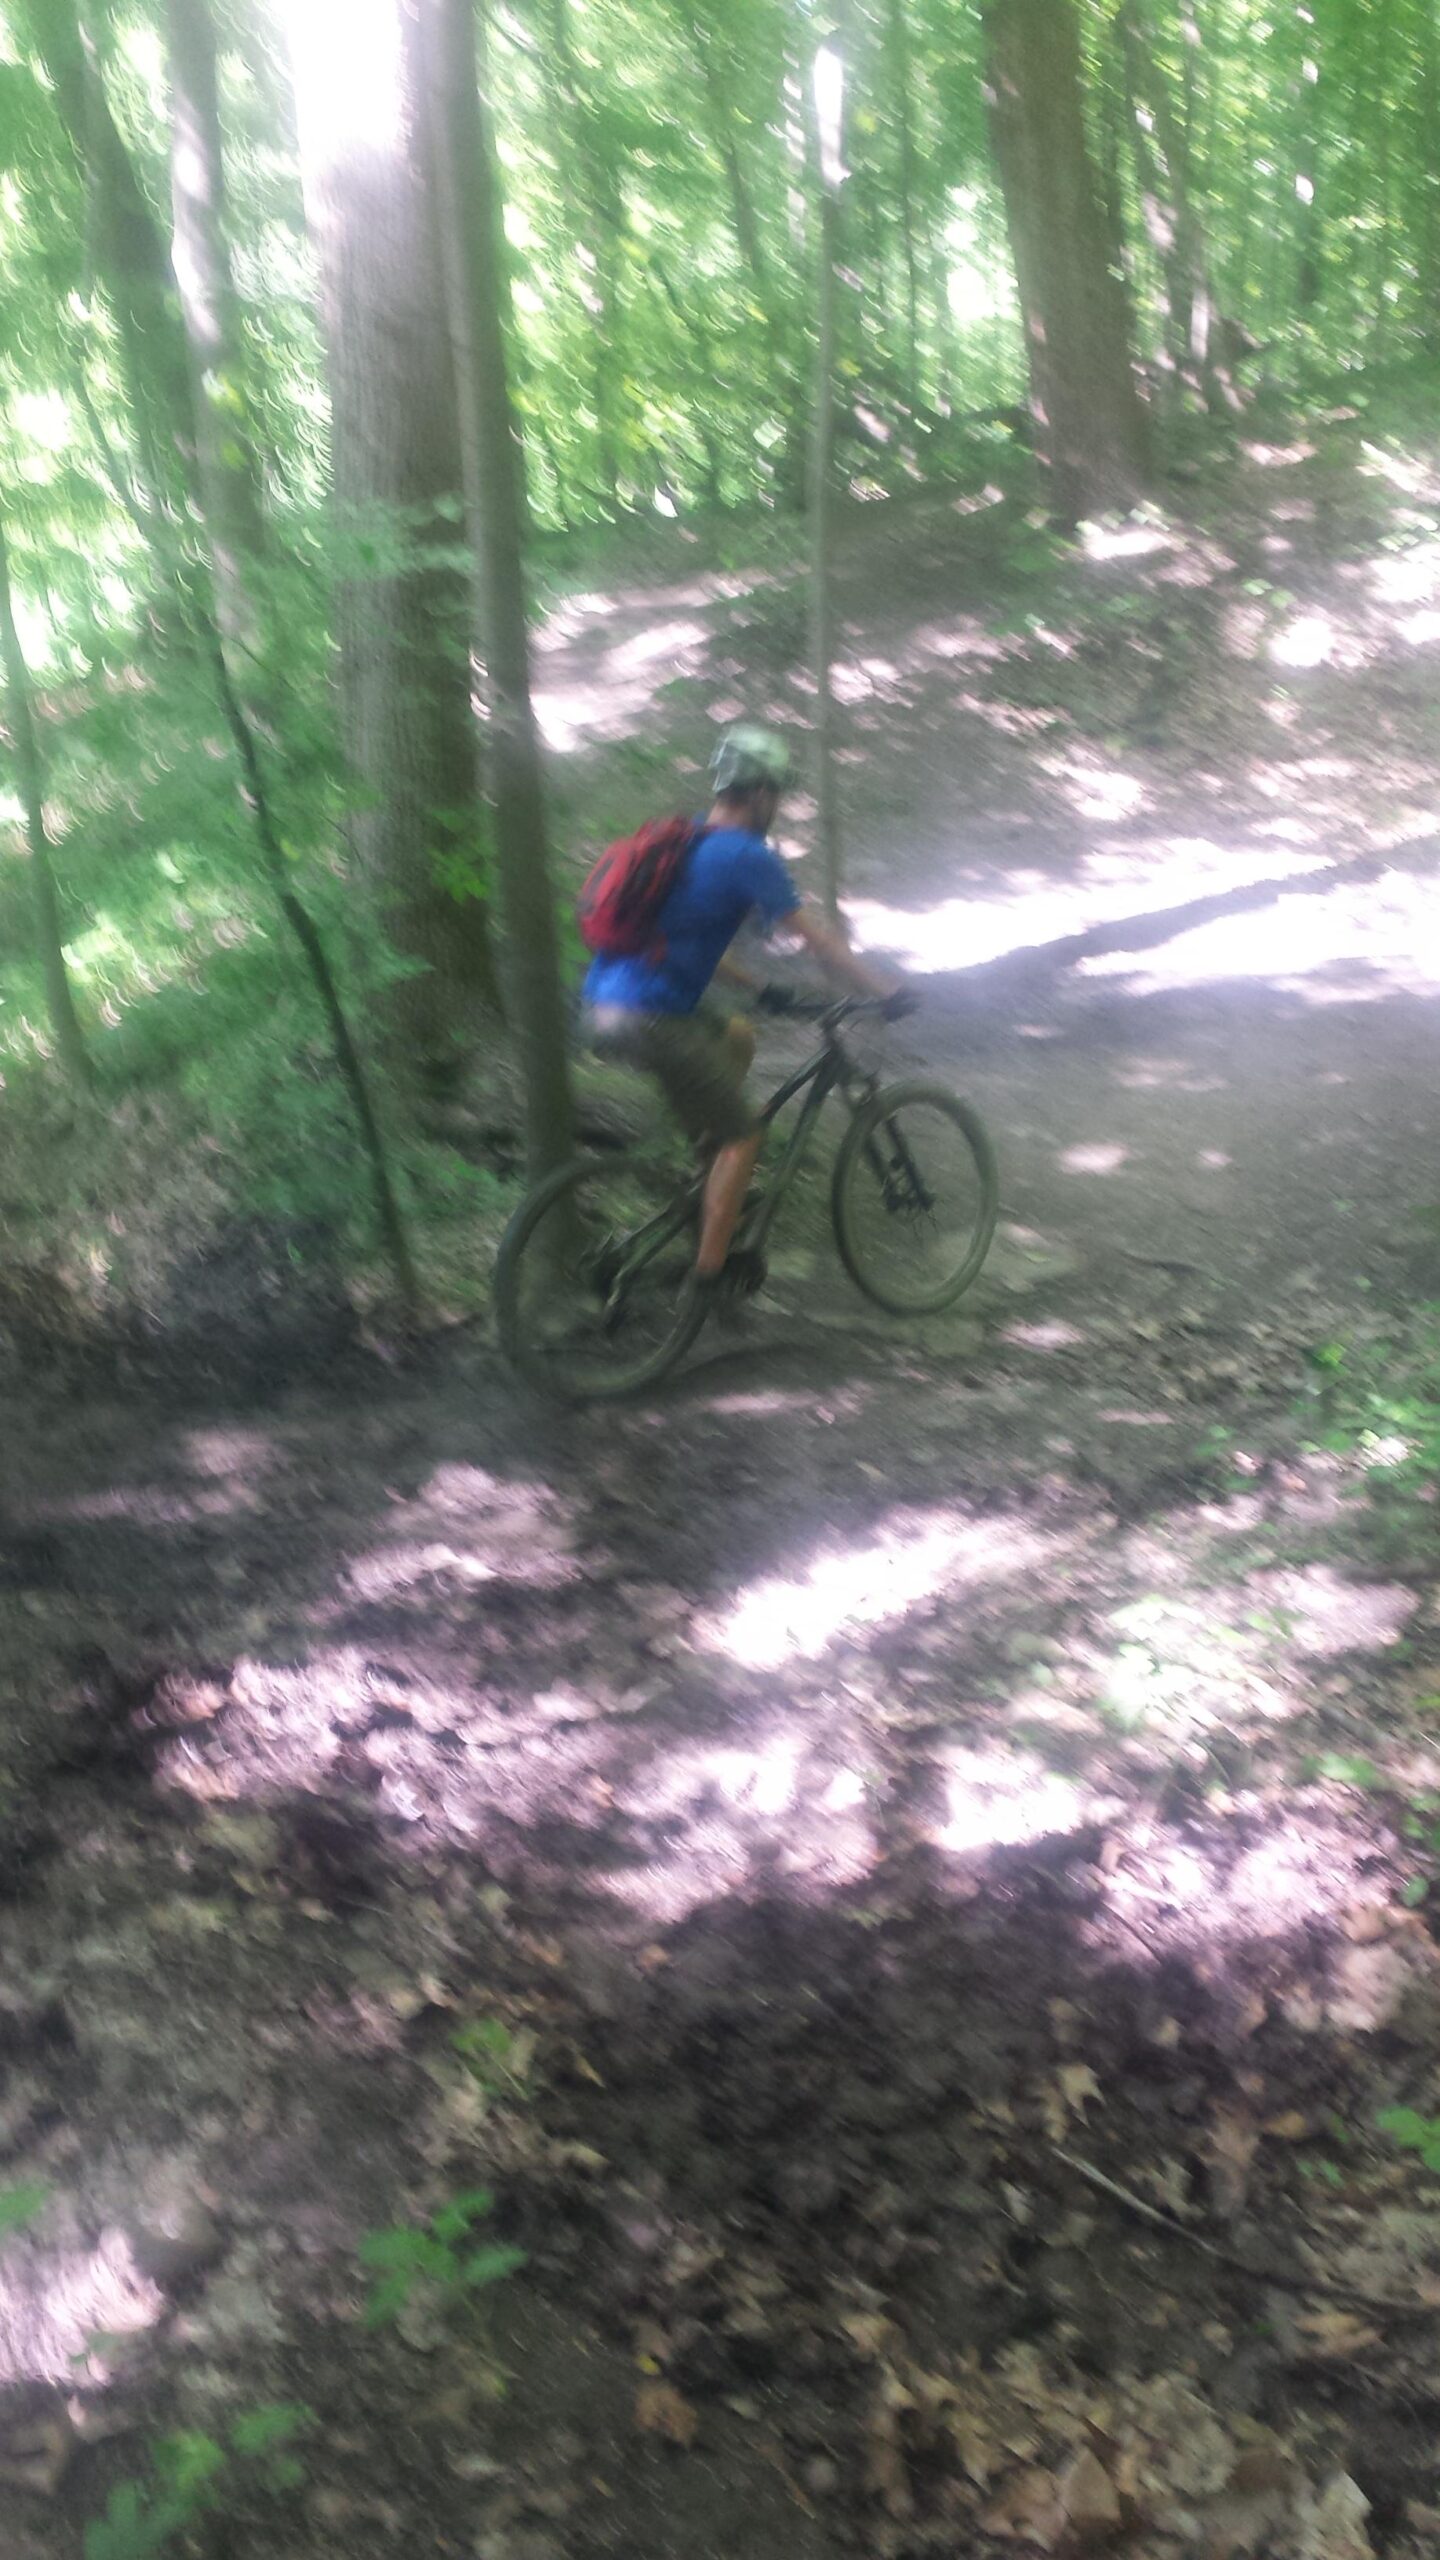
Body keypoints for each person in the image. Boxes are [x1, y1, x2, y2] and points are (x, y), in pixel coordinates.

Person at [582, 724, 908, 1298]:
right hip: (652, 1017)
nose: (776, 804)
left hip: (603, 1005)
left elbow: (681, 940)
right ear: (758, 793)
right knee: (747, 1136)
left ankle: (708, 1165)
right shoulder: (747, 856)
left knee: (736, 1032)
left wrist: (759, 989)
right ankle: (708, 1276)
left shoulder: (687, 843)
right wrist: (884, 990)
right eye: (776, 792)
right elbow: (819, 943)